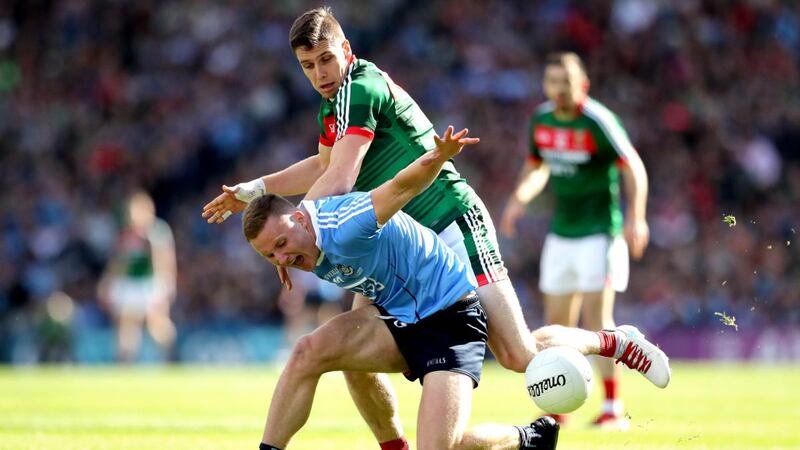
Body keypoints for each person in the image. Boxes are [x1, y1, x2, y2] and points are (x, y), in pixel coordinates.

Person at [201, 7, 541, 447]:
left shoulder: (359, 88)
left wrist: (293, 231)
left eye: (326, 59)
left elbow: (340, 179)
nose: (320, 73)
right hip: (396, 237)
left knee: (516, 353)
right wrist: (256, 189)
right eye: (308, 66)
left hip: (446, 219)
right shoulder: (333, 106)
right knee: (349, 344)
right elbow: (322, 167)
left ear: (345, 49)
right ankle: (394, 444)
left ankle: (607, 343)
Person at [243, 126, 669, 450]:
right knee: (310, 352)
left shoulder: (345, 222)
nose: (281, 258)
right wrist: (282, 255)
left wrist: (437, 156)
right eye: (270, 256)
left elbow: (400, 187)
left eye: (281, 245)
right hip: (397, 315)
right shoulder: (298, 247)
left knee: (492, 392)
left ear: (300, 219)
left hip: (451, 318)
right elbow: (312, 189)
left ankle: (531, 435)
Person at [499, 52, 650, 429]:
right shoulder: (542, 120)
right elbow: (537, 166)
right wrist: (520, 198)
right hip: (562, 234)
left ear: (582, 83)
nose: (559, 89)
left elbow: (633, 166)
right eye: (552, 81)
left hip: (601, 232)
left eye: (566, 81)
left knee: (597, 320)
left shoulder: (597, 119)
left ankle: (613, 408)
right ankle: (558, 409)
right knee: (558, 324)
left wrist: (637, 216)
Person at [97, 191, 177, 363]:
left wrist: (165, 285)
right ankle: (125, 361)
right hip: (130, 283)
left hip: (150, 282)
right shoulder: (125, 234)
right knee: (126, 323)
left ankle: (171, 355)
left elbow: (164, 261)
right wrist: (107, 282)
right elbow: (117, 261)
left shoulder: (157, 232)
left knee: (156, 322)